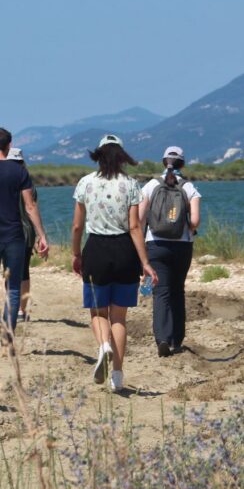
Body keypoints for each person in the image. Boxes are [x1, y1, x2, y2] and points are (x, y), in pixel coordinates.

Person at [71, 134, 158, 393]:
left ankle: (103, 347)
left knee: (98, 313)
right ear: (121, 156)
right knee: (119, 317)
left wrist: (76, 254)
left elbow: (77, 225)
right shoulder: (131, 185)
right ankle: (117, 376)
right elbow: (134, 226)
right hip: (125, 252)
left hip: (96, 249)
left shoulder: (85, 183)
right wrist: (145, 262)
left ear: (98, 155)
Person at [0, 128, 50, 354]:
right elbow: (30, 206)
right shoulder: (18, 171)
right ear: (9, 144)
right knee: (13, 287)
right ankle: (9, 334)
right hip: (15, 236)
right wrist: (42, 235)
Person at [139, 146, 202, 357]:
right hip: (182, 245)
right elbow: (194, 221)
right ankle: (176, 339)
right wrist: (186, 228)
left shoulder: (150, 186)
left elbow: (139, 219)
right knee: (177, 290)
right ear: (182, 164)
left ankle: (162, 338)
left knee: (161, 292)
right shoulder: (189, 188)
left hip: (155, 245)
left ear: (163, 161)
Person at [7, 147, 37, 322]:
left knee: (9, 271)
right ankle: (21, 310)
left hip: (6, 232)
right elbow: (32, 208)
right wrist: (41, 235)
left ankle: (11, 308)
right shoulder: (29, 183)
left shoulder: (1, 181)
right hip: (26, 232)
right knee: (24, 272)